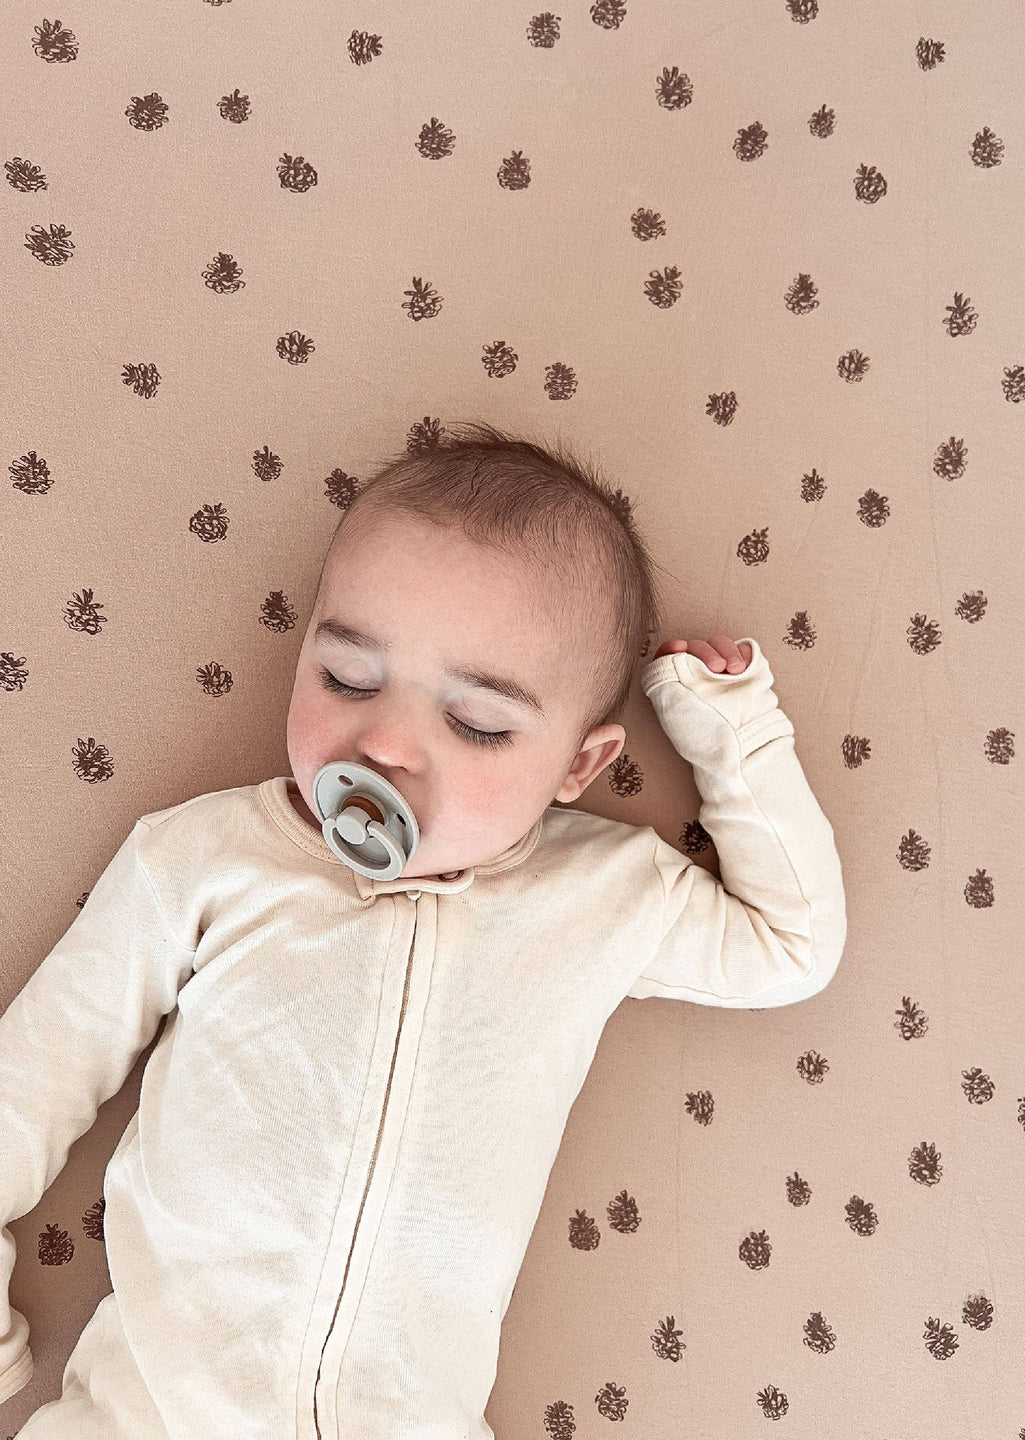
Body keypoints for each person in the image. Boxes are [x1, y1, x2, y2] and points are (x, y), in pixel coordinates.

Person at [0, 422, 847, 1438]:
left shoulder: (598, 896)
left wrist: (728, 730)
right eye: (347, 679)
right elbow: (34, 1074)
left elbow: (790, 944)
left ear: (578, 767)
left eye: (480, 724)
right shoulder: (206, 860)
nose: (386, 742)